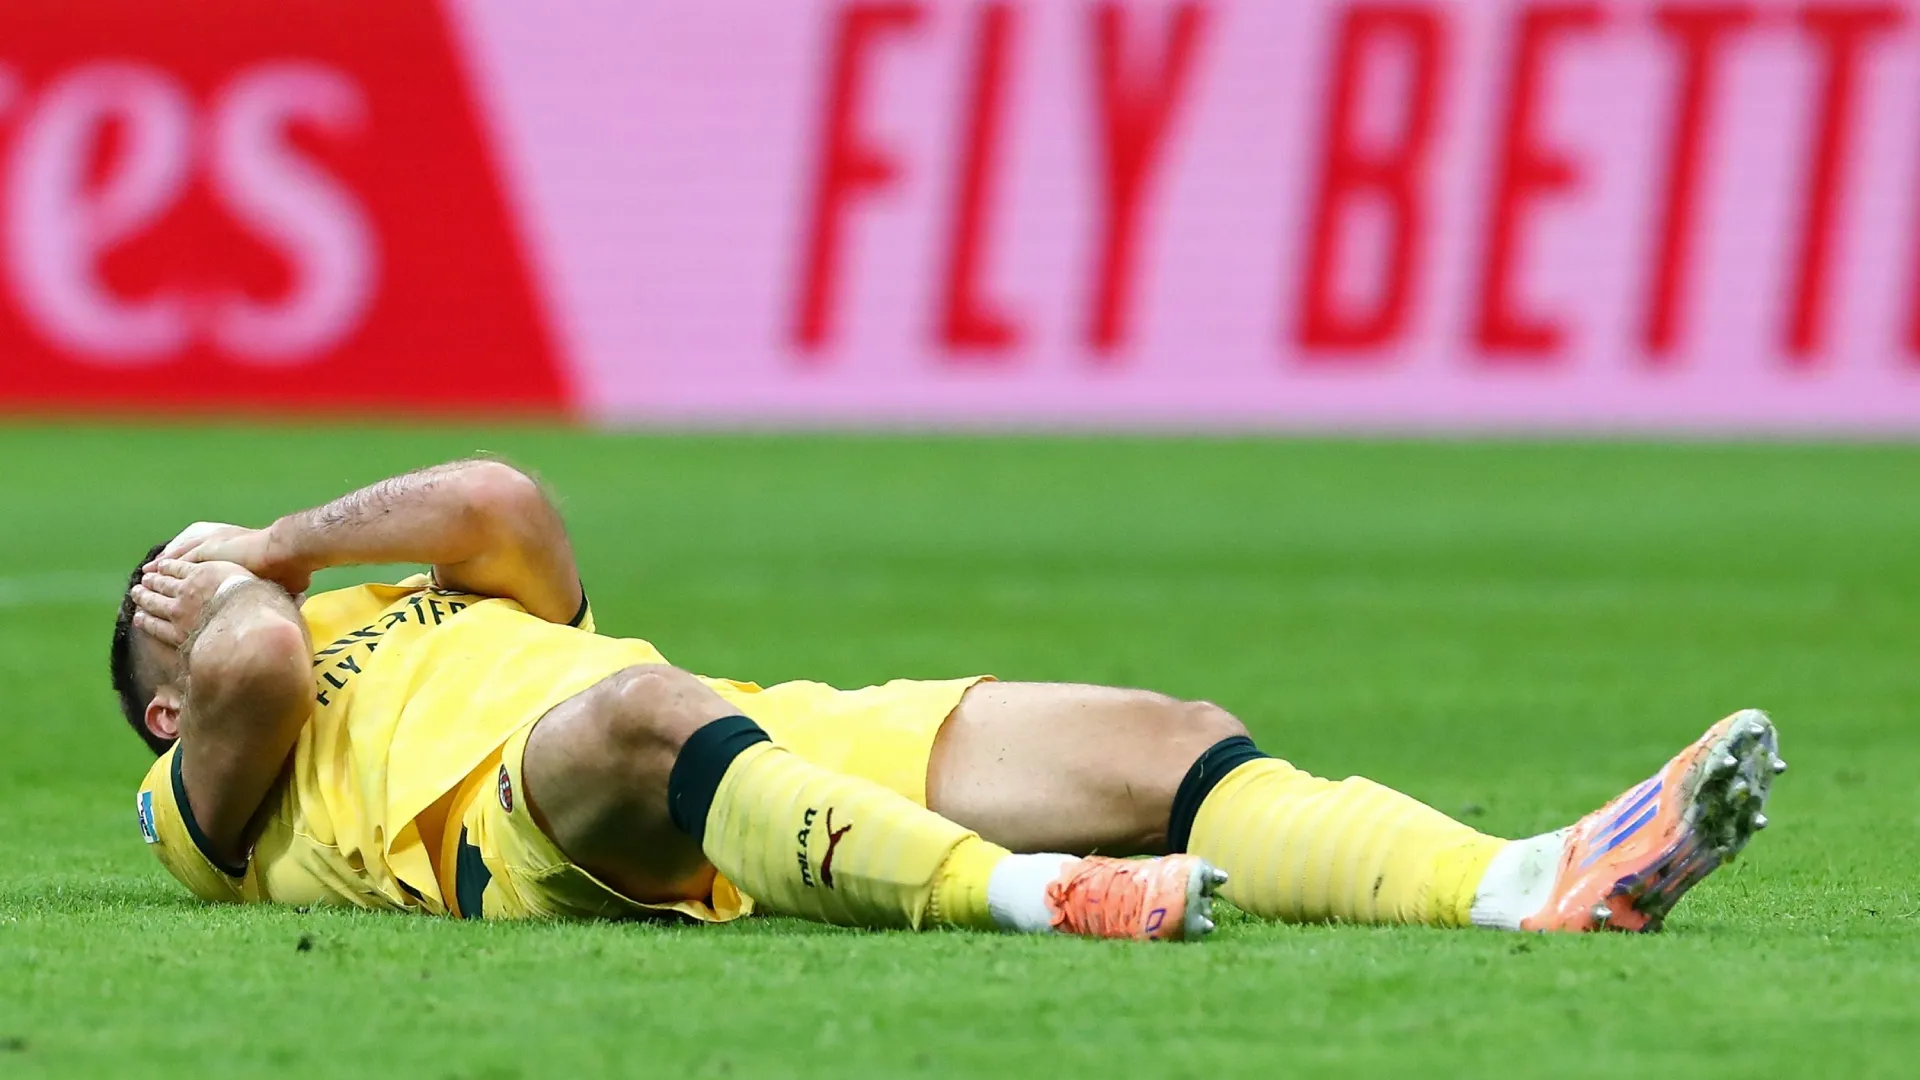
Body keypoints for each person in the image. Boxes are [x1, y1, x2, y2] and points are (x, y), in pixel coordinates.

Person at [113, 459, 1784, 941]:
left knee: (1157, 734)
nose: (205, 603)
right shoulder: (206, 797)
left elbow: (509, 501)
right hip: (512, 828)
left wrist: (267, 537)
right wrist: (223, 605)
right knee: (631, 721)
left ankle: (1521, 879)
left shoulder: (399, 589)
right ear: (161, 721)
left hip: (737, 731)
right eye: (155, 629)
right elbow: (249, 665)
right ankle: (1035, 900)